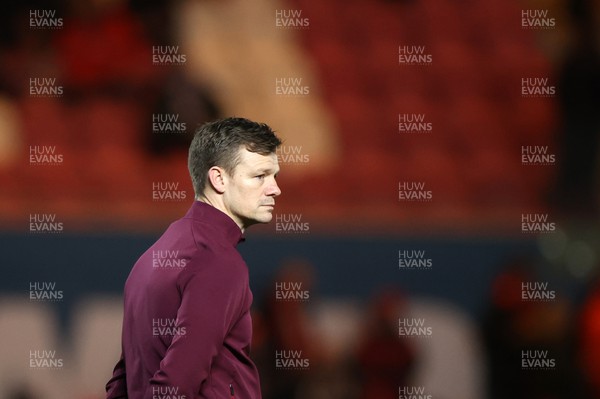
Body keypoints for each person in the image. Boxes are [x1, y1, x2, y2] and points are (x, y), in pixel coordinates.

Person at [105, 117, 282, 399]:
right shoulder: (218, 262)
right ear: (219, 179)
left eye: (274, 176)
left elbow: (122, 381)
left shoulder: (151, 256)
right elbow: (177, 383)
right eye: (260, 176)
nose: (275, 189)